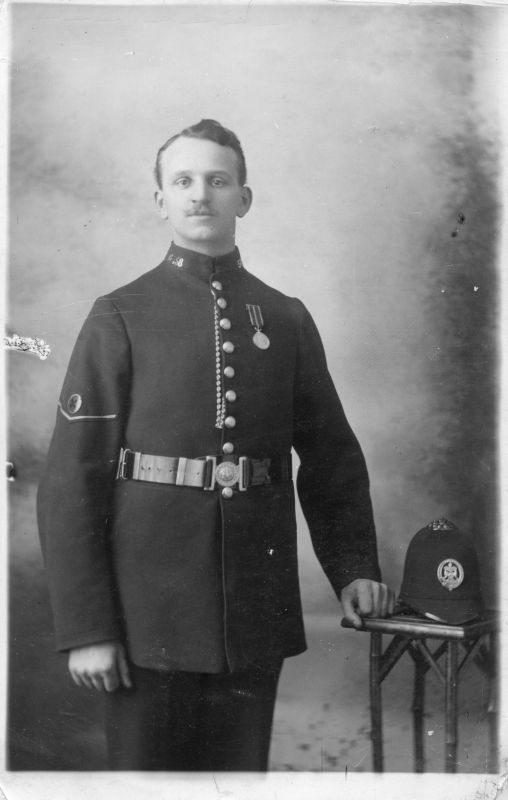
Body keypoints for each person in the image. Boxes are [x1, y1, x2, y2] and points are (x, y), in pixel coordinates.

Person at [38, 119, 394, 771]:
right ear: (161, 200)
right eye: (183, 181)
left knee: (238, 781)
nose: (200, 194)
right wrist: (89, 628)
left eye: (217, 180)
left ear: (243, 199)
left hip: (252, 614)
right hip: (145, 614)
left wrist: (354, 567)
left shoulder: (284, 317)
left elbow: (332, 459)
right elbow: (70, 481)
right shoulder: (120, 314)